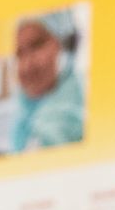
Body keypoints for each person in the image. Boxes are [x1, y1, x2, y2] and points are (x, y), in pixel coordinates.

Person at [10, 12, 85, 152]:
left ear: (66, 45)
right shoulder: (24, 117)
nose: (27, 65)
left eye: (37, 45)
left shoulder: (61, 126)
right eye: (19, 53)